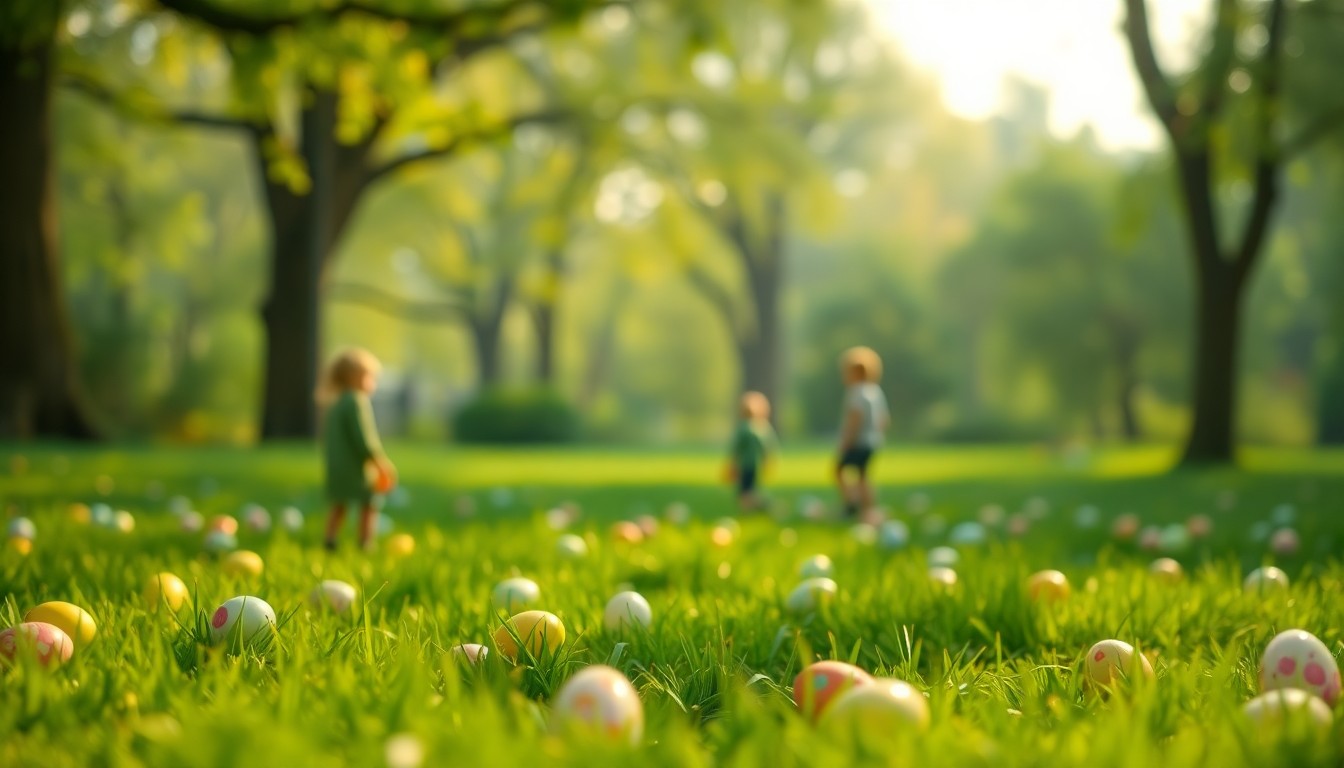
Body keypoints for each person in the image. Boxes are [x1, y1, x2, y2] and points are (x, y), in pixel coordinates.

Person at [318, 348, 397, 551]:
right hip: (356, 468)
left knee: (339, 503)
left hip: (336, 467)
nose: (373, 383)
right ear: (355, 377)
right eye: (370, 377)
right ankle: (365, 542)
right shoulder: (356, 400)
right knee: (369, 502)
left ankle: (330, 539)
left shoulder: (335, 404)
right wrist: (380, 462)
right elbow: (364, 438)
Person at [835, 347, 888, 518]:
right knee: (863, 475)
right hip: (872, 442)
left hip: (858, 442)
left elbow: (854, 419)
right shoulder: (875, 391)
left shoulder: (856, 392)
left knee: (838, 470)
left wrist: (846, 441)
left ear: (855, 373)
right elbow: (883, 419)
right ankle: (869, 508)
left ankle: (851, 503)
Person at [727, 391, 777, 512]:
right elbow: (767, 447)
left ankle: (754, 508)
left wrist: (732, 464)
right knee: (751, 488)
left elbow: (736, 448)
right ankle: (758, 505)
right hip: (755, 465)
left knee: (744, 490)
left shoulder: (743, 428)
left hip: (744, 465)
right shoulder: (762, 427)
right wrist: (767, 461)